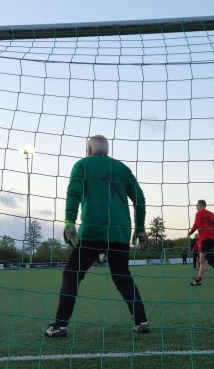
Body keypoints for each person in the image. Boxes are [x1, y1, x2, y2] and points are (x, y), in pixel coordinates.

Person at [45, 135, 149, 338]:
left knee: (72, 274)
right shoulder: (122, 168)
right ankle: (142, 321)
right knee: (122, 276)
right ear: (107, 151)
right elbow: (139, 197)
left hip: (92, 230)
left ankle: (59, 326)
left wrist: (68, 222)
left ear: (88, 150)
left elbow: (73, 193)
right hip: (119, 231)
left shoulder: (82, 165)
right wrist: (140, 228)